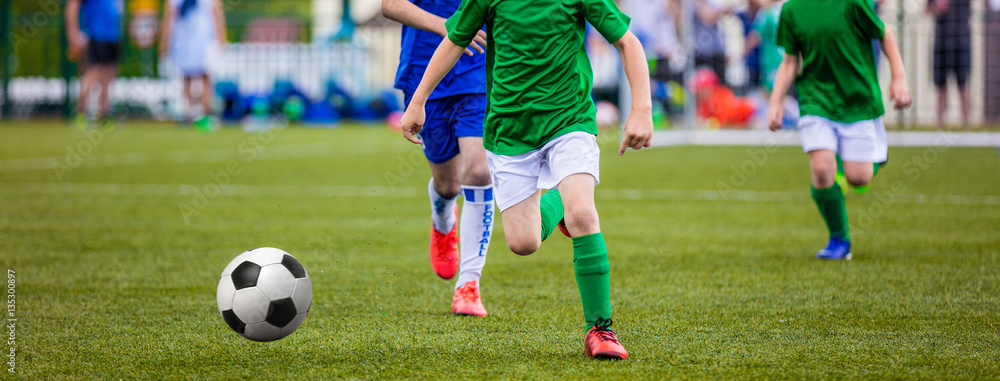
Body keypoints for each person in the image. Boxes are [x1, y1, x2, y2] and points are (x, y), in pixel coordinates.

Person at [398, 0, 654, 360]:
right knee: (524, 242)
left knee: (583, 213)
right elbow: (455, 40)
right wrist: (418, 100)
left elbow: (628, 42)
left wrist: (642, 108)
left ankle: (600, 329)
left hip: (570, 119)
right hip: (510, 131)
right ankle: (559, 206)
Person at [768, 0, 911, 260]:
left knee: (859, 178)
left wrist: (899, 77)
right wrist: (776, 101)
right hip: (815, 100)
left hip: (857, 102)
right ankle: (839, 239)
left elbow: (884, 34)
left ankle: (864, 161)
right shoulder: (792, 10)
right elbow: (790, 61)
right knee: (822, 170)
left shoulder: (853, 3)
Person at [381, 0, 494, 317]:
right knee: (449, 185)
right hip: (426, 71)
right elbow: (390, 6)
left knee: (480, 171)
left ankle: (469, 285)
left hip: (478, 68)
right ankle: (444, 220)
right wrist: (447, 26)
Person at [160, 0, 227, 130]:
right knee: (186, 77)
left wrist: (221, 38)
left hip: (205, 39)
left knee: (205, 76)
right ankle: (188, 114)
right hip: (183, 39)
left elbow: (217, 15)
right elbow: (170, 18)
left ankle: (205, 114)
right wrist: (165, 42)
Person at [65, 0, 123, 130]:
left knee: (110, 73)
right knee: (94, 72)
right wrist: (73, 37)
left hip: (113, 35)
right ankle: (81, 112)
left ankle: (104, 113)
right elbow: (72, 6)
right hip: (95, 33)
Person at [927, 0, 972, 128]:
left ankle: (967, 123)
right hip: (941, 42)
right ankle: (939, 123)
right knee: (940, 85)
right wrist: (937, 7)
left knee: (963, 84)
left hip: (961, 42)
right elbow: (927, 10)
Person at [694, 0, 733, 84]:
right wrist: (722, 11)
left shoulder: (714, 3)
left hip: (717, 53)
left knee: (720, 86)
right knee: (704, 86)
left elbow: (730, 10)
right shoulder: (695, 3)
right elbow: (709, 17)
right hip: (702, 54)